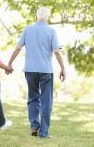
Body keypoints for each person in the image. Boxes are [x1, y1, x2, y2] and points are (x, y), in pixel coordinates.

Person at [7, 7, 66, 138]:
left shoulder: (28, 29)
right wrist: (63, 68)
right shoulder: (51, 30)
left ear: (36, 17)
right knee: (46, 101)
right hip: (46, 70)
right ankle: (43, 132)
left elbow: (18, 47)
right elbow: (57, 51)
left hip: (30, 70)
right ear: (48, 18)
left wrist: (9, 63)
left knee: (33, 98)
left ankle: (34, 126)